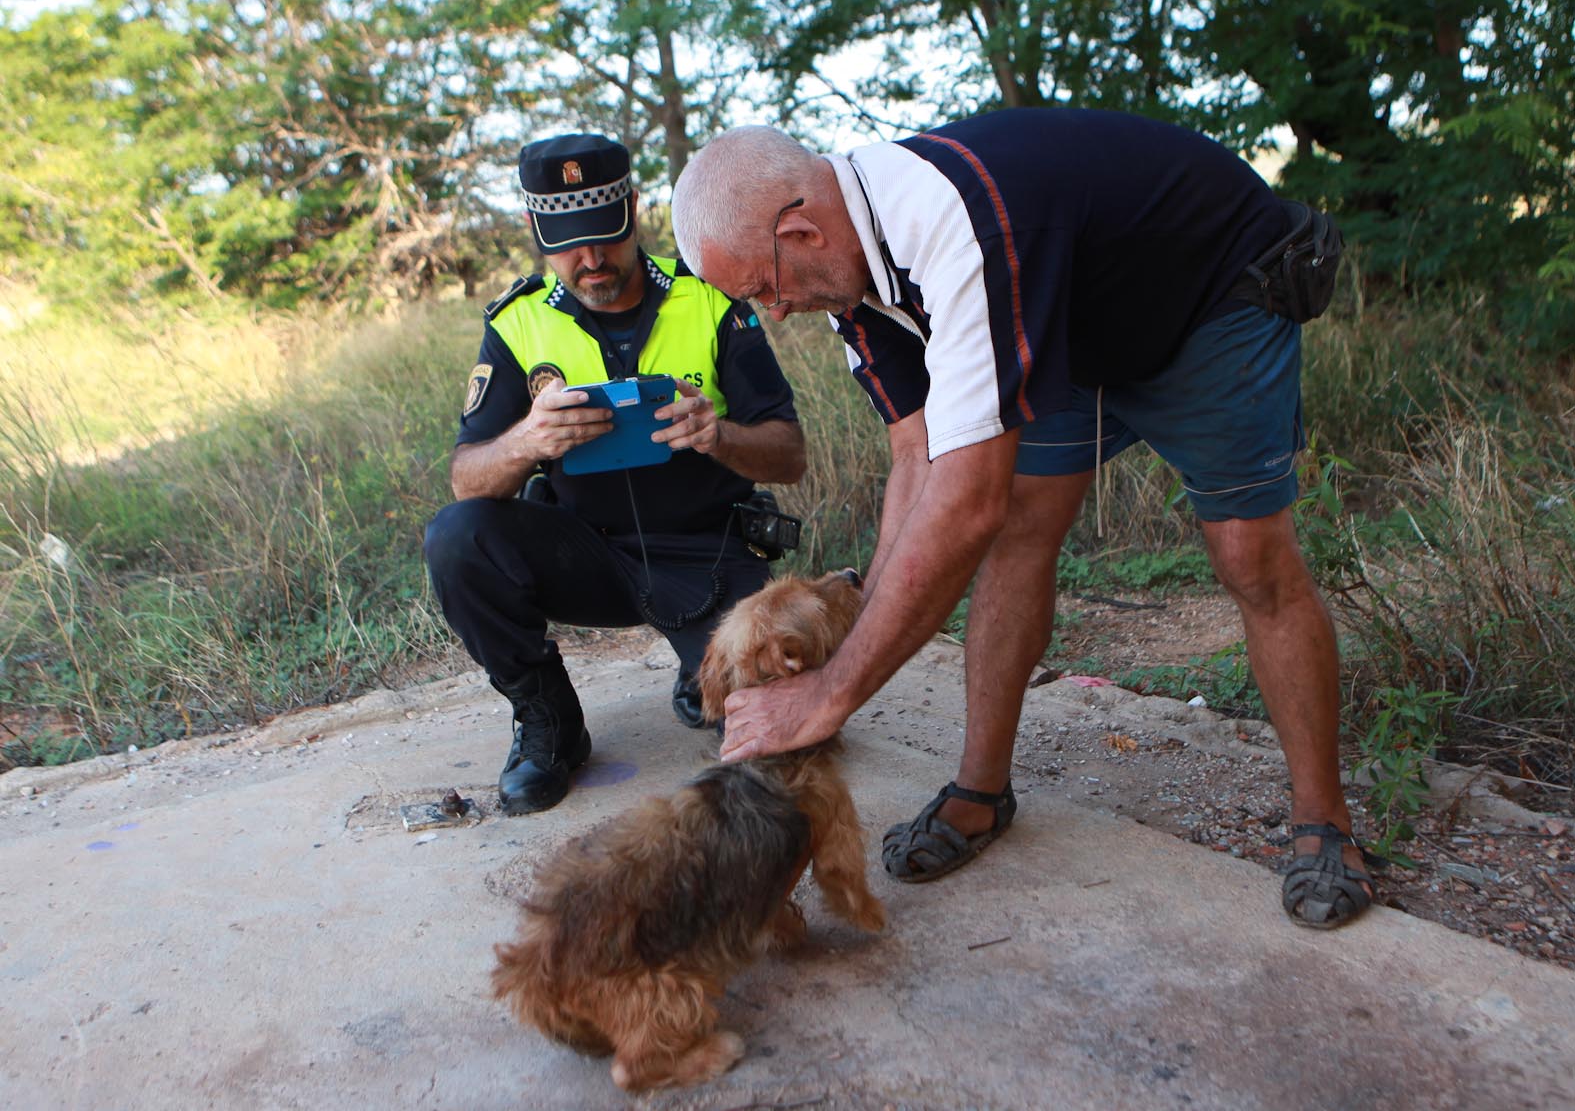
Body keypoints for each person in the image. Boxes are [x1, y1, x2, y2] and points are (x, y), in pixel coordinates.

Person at [669, 110, 1373, 929]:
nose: (775, 313)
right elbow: (916, 455)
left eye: (762, 288)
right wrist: (853, 621)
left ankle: (1323, 820)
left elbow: (964, 502)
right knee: (1017, 538)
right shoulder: (844, 274)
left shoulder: (949, 218)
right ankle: (979, 790)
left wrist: (830, 696)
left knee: (1250, 557)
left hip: (1208, 298)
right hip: (1073, 327)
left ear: (802, 231)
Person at [425, 132, 806, 815]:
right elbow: (467, 481)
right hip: (586, 550)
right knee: (457, 536)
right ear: (532, 230)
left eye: (606, 234)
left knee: (787, 744)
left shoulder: (710, 297)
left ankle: (706, 672)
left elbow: (788, 452)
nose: (591, 260)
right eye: (567, 242)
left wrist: (718, 436)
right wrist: (526, 441)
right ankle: (548, 725)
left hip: (707, 552)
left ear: (633, 209)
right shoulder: (517, 324)